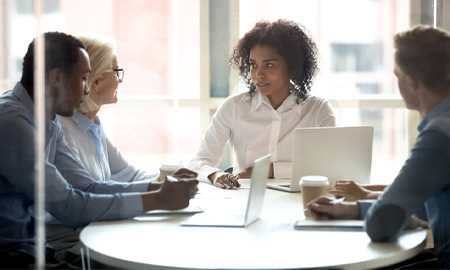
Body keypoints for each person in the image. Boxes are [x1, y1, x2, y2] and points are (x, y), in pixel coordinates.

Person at [0, 32, 198, 268]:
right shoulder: (12, 122)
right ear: (56, 78)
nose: (86, 90)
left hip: (36, 251)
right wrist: (157, 199)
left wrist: (158, 188)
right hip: (14, 257)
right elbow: (70, 206)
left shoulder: (49, 120)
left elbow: (87, 186)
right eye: (83, 78)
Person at [307, 25, 450, 268]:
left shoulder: (439, 136)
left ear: (413, 83)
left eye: (397, 76)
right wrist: (352, 210)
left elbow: (382, 224)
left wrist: (372, 210)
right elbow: (426, 207)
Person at [189, 19, 336, 189]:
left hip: (299, 201)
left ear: (292, 67)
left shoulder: (318, 110)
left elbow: (330, 167)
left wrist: (269, 170)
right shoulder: (233, 107)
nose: (258, 74)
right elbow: (198, 162)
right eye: (253, 65)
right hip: (244, 202)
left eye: (269, 65)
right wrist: (216, 175)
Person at [58, 36, 160, 188]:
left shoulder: (92, 125)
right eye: (116, 71)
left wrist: (168, 178)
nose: (120, 80)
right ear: (96, 82)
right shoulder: (63, 131)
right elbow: (88, 193)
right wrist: (158, 191)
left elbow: (130, 175)